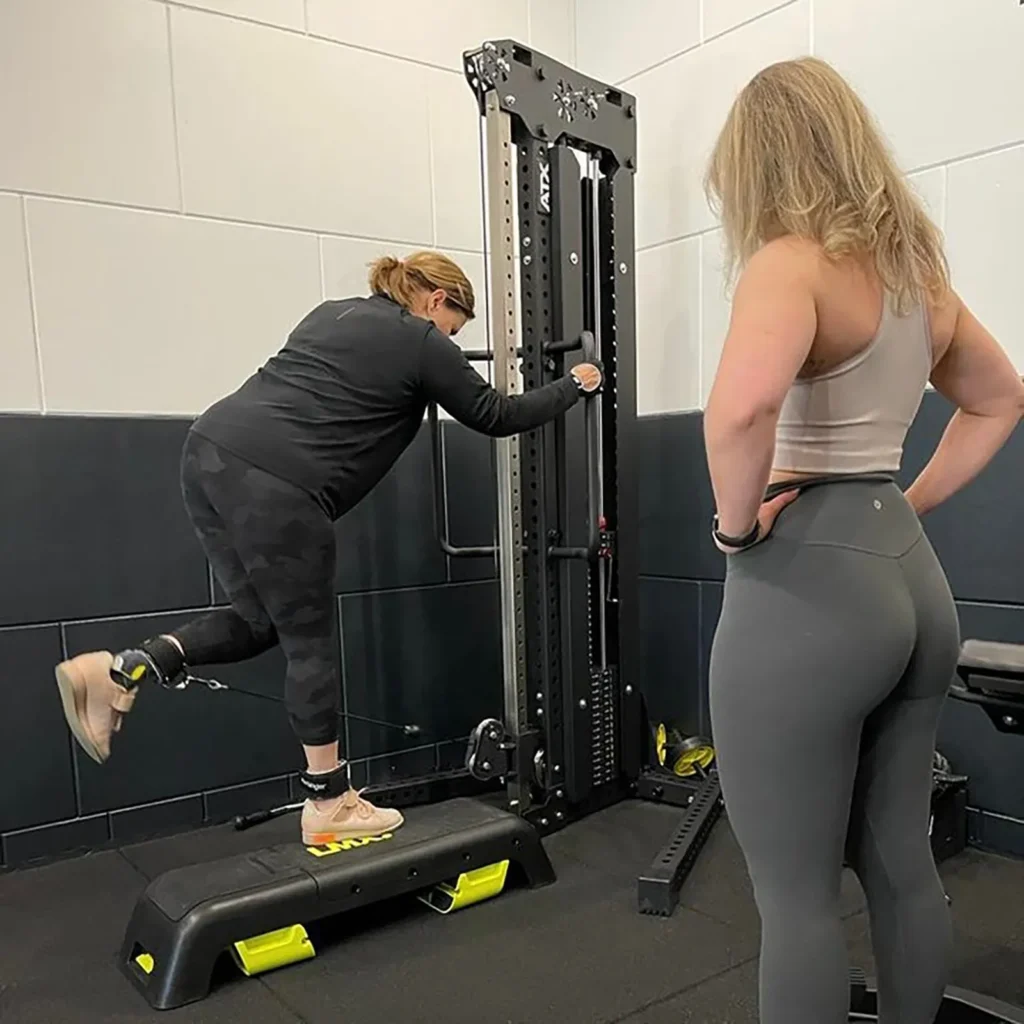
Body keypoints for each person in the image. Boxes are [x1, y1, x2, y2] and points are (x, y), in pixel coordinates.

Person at [55, 251, 602, 847]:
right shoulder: (422, 341)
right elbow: (497, 414)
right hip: (280, 485)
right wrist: (575, 385)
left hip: (207, 453)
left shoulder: (330, 315)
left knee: (258, 621)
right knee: (310, 645)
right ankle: (327, 800)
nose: (450, 340)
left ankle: (122, 669)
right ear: (437, 301)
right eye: (454, 328)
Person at [702, 58, 1024, 1024]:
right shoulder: (918, 279)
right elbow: (1001, 398)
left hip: (807, 584)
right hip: (909, 579)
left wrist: (734, 527)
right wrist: (907, 508)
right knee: (900, 859)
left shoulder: (788, 262)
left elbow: (740, 412)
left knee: (794, 898)